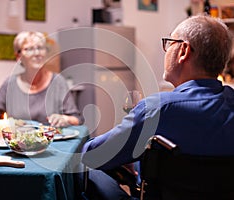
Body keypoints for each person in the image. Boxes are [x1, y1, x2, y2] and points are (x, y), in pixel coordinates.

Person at [81, 14, 234, 199]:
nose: (166, 50)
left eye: (169, 43)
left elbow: (92, 154)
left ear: (183, 51)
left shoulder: (158, 109)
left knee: (89, 171)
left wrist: (125, 155)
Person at [0, 31, 83, 127]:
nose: (37, 53)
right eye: (29, 49)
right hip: (17, 141)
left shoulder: (58, 82)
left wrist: (66, 118)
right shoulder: (10, 84)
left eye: (40, 48)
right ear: (18, 56)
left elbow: (77, 119)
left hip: (53, 141)